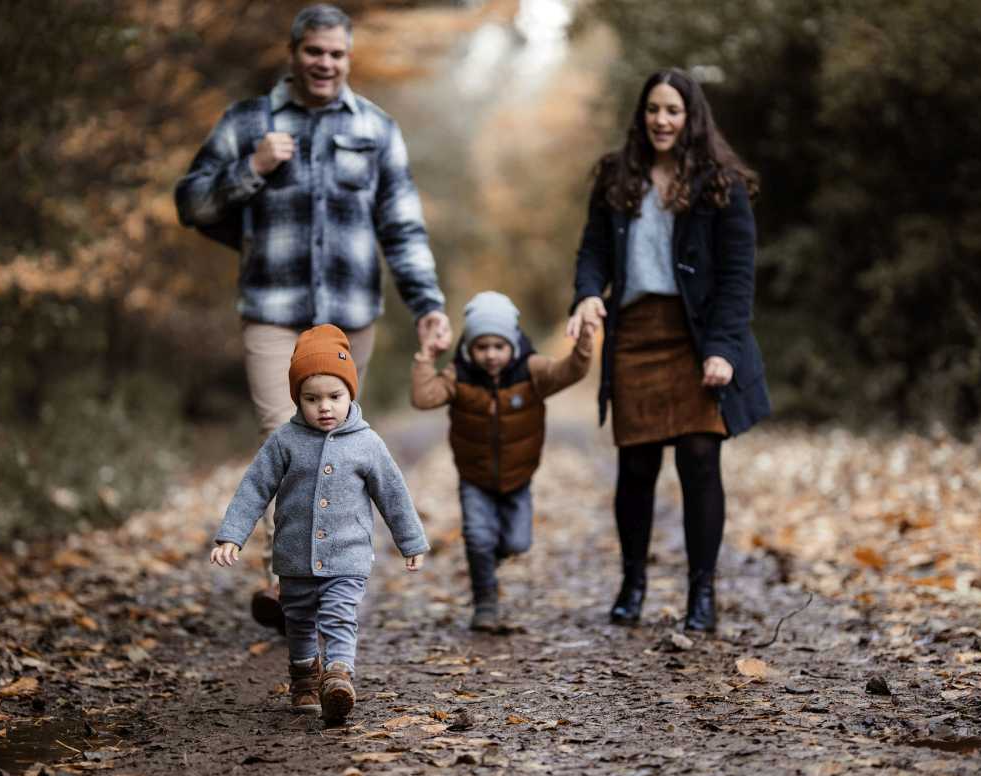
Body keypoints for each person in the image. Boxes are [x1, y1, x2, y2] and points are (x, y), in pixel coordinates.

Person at [175, 4, 450, 632]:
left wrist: (428, 306)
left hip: (351, 318)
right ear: (294, 53)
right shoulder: (249, 122)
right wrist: (252, 168)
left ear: (348, 59)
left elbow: (403, 229)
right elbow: (190, 200)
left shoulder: (378, 129)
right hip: (273, 311)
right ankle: (284, 581)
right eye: (314, 52)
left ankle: (325, 577)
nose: (326, 63)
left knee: (336, 438)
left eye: (337, 54)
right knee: (286, 434)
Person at [566, 68, 771, 632]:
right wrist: (587, 294)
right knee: (636, 465)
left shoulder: (719, 183)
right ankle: (633, 583)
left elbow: (737, 276)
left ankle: (701, 596)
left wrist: (724, 347)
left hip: (697, 334)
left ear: (691, 117)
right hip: (634, 333)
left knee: (701, 459)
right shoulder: (616, 176)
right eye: (653, 109)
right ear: (642, 114)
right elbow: (592, 253)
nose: (662, 120)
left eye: (673, 111)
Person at [209, 325, 429, 723]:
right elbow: (255, 488)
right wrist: (232, 535)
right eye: (312, 399)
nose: (324, 406)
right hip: (294, 558)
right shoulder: (284, 441)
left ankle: (338, 675)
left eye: (335, 396)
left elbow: (393, 494)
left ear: (351, 395)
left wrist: (410, 541)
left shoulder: (367, 443)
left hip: (348, 557)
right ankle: (305, 678)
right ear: (297, 399)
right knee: (298, 620)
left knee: (339, 614)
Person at [412, 292, 595, 631]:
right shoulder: (459, 376)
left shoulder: (532, 370)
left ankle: (486, 562)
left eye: (499, 346)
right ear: (469, 347)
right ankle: (485, 603)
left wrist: (584, 344)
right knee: (478, 537)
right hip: (474, 477)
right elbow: (423, 397)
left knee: (517, 542)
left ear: (512, 344)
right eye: (482, 347)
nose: (491, 355)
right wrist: (426, 357)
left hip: (518, 477)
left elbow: (571, 371)